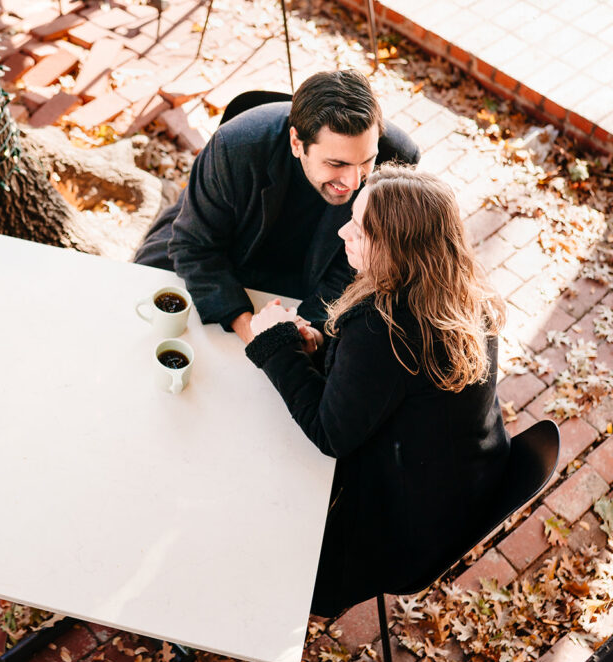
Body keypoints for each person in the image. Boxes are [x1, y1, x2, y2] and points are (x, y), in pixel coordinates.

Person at [243, 166, 510, 617]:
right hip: (462, 484)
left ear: (401, 249)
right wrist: (323, 347)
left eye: (362, 230)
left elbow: (330, 434)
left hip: (404, 528)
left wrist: (274, 343)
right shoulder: (458, 292)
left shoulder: (384, 328)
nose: (345, 230)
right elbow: (389, 381)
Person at [133, 70, 420, 349]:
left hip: (311, 283)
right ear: (297, 143)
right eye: (337, 164)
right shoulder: (235, 145)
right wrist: (253, 333)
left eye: (365, 161)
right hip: (219, 251)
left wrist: (310, 332)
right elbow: (195, 246)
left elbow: (357, 267)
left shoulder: (397, 163)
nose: (354, 181)